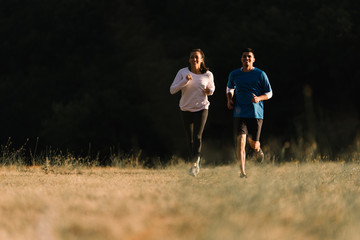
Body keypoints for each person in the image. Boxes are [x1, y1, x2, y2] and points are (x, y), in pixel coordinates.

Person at [226, 48, 272, 178]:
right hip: (240, 113)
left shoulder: (260, 74)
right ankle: (242, 173)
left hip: (256, 114)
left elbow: (270, 93)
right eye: (244, 57)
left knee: (253, 144)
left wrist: (259, 98)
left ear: (253, 59)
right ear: (241, 59)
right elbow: (230, 88)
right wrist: (229, 99)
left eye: (249, 57)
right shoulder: (234, 74)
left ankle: (258, 150)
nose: (247, 59)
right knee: (240, 143)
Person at [170, 49, 215, 176]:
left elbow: (212, 88)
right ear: (189, 60)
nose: (194, 59)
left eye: (197, 57)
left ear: (201, 60)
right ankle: (196, 160)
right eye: (192, 57)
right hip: (186, 108)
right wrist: (185, 81)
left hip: (202, 108)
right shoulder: (182, 72)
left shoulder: (208, 74)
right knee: (189, 139)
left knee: (197, 136)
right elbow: (172, 90)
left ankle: (194, 165)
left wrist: (208, 91)